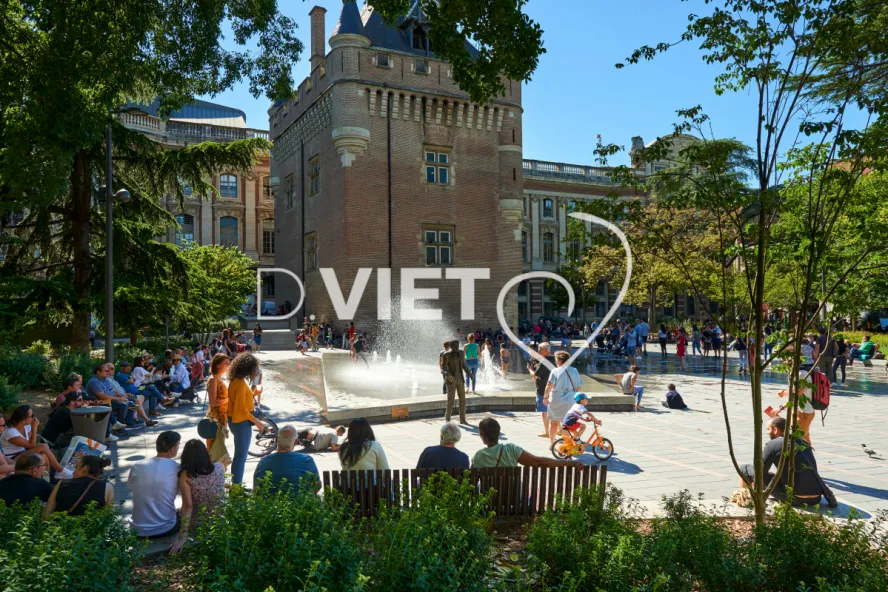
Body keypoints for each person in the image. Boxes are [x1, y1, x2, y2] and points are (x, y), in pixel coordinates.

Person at [738, 416, 836, 507]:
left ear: (775, 430)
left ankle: (743, 498)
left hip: (793, 498)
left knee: (744, 468)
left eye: (768, 429)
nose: (767, 432)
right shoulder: (802, 441)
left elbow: (759, 473)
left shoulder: (773, 445)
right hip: (816, 498)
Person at [169, 440, 226, 553]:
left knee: (174, 513)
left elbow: (188, 506)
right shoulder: (220, 467)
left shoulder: (186, 476)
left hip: (199, 522)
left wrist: (182, 537)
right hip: (220, 518)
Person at [128, 431, 182, 538]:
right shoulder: (177, 468)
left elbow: (130, 486)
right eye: (178, 446)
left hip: (137, 529)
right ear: (172, 450)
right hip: (166, 527)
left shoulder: (137, 466)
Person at [471, 418, 582, 469]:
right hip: (512, 501)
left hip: (489, 504)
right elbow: (538, 462)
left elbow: (472, 485)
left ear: (482, 435)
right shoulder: (511, 450)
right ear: (499, 433)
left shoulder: (478, 457)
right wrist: (569, 463)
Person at [226, 353, 269, 485]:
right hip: (240, 423)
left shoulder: (236, 381)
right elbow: (242, 410)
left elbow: (242, 402)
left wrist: (255, 393)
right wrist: (258, 423)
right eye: (255, 368)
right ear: (248, 368)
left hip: (237, 421)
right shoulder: (239, 383)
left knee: (240, 456)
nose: (256, 371)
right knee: (240, 457)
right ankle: (237, 487)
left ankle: (236, 485)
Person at [1, 405, 73, 478]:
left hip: (23, 453)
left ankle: (45, 479)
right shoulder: (10, 432)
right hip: (12, 458)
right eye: (32, 416)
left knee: (43, 456)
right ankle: (60, 470)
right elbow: (32, 445)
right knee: (42, 446)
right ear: (24, 418)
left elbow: (30, 442)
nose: (34, 418)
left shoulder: (26, 426)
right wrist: (34, 427)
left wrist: (32, 428)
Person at [254, 426, 320, 494]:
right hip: (301, 503)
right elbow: (317, 486)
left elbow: (255, 489)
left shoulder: (263, 461)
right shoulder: (307, 460)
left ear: (276, 440)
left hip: (268, 503)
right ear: (295, 442)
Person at [43, 456, 114, 517]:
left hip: (63, 530)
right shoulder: (107, 487)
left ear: (84, 468)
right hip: (92, 531)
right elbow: (108, 516)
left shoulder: (62, 483)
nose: (73, 472)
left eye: (76, 467)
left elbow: (47, 512)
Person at [544, 351, 583, 446]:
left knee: (554, 423)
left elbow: (549, 386)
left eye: (556, 360)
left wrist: (545, 397)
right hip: (570, 399)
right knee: (566, 424)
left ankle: (552, 444)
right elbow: (579, 387)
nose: (555, 362)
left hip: (556, 399)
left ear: (560, 360)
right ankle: (566, 445)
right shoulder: (574, 371)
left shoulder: (555, 371)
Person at [85, 364, 130, 440]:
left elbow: (112, 390)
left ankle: (125, 423)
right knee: (121, 405)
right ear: (98, 372)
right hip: (100, 402)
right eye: (106, 371)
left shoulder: (105, 379)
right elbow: (102, 396)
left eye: (108, 371)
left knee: (128, 403)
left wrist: (121, 396)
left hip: (109, 400)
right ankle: (116, 427)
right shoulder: (94, 382)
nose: (108, 372)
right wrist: (118, 399)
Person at [205, 353, 230, 457]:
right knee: (214, 448)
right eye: (226, 363)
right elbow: (213, 402)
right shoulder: (213, 379)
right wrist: (229, 399)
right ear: (218, 365)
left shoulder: (219, 378)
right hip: (215, 418)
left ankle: (216, 470)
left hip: (222, 416)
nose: (228, 366)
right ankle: (211, 471)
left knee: (219, 446)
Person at [528, 343, 553, 438]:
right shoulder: (555, 359)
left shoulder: (543, 361)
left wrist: (530, 370)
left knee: (545, 412)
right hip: (554, 390)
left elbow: (535, 376)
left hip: (543, 389)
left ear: (546, 350)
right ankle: (558, 430)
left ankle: (547, 432)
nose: (538, 351)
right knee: (554, 411)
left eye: (540, 349)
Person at [442, 339, 468, 424]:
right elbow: (443, 369)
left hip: (460, 379)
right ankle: (448, 418)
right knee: (451, 400)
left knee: (463, 400)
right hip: (451, 380)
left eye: (458, 345)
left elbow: (463, 365)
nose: (457, 347)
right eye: (455, 346)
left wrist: (469, 373)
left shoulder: (461, 353)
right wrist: (448, 376)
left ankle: (463, 419)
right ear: (451, 346)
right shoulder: (446, 355)